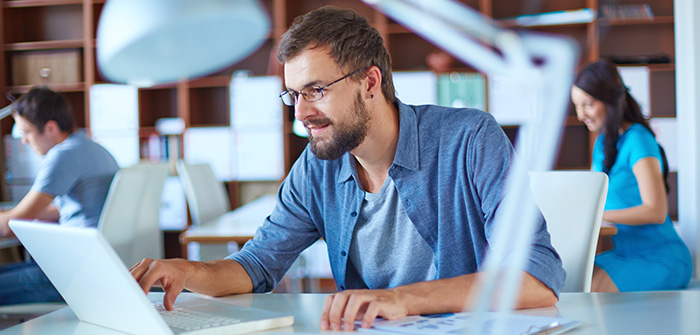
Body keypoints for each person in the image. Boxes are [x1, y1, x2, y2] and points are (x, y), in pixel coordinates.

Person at [132, 6, 565, 331]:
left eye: (316, 90)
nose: (301, 112)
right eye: (293, 95)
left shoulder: (469, 139)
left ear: (370, 82)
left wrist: (401, 300)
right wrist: (190, 273)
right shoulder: (317, 169)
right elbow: (257, 265)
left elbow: (535, 278)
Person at [571, 59, 692, 292]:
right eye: (576, 106)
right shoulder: (602, 145)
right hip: (624, 254)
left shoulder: (638, 139)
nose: (580, 115)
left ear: (610, 101)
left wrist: (597, 215)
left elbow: (656, 211)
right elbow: (590, 197)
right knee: (569, 276)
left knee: (591, 286)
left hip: (660, 258)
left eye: (587, 104)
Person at [0, 86, 120, 305]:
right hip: (94, 265)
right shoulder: (92, 148)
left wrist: (9, 217)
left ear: (50, 128)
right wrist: (9, 214)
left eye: (27, 133)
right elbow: (75, 208)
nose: (24, 141)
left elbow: (12, 224)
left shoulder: (63, 155)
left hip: (73, 273)